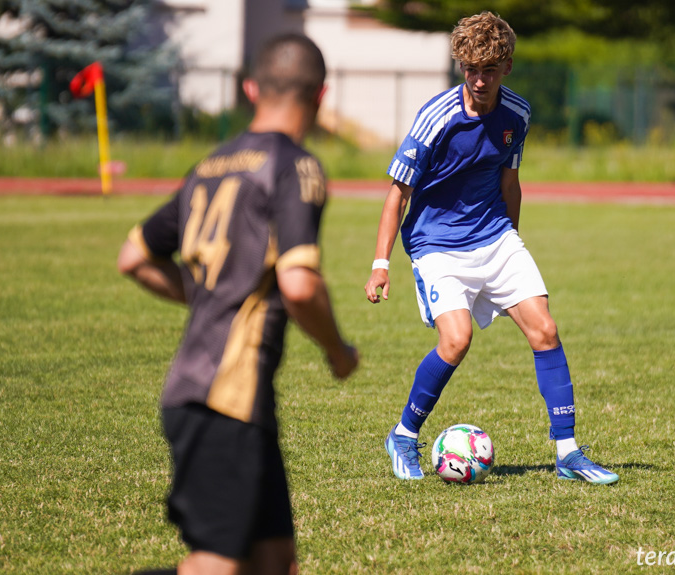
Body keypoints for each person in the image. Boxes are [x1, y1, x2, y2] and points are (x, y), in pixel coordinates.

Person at [118, 34, 359, 575]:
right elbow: (298, 284)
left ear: (251, 89)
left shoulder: (210, 164)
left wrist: (206, 293)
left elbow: (133, 256)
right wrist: (338, 351)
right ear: (321, 95)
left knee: (275, 563)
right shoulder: (296, 166)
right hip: (223, 396)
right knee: (218, 566)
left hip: (224, 397)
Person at [364, 12, 617, 485]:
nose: (479, 80)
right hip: (436, 244)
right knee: (457, 340)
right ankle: (403, 434)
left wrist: (512, 243)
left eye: (489, 70)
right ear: (461, 66)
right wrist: (381, 264)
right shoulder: (435, 118)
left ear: (507, 68)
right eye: (470, 69)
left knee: (545, 328)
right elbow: (397, 193)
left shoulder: (517, 114)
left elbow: (511, 181)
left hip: (496, 235)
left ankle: (567, 452)